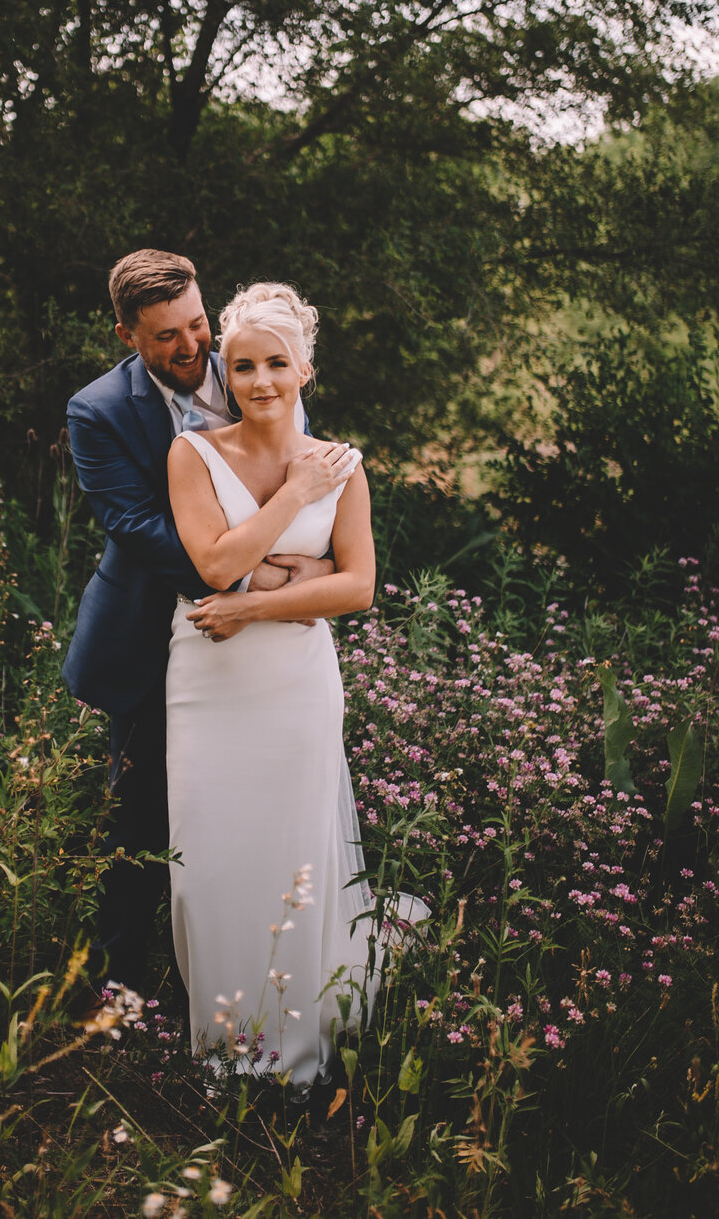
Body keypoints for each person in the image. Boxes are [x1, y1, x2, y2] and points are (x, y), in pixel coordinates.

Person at [166, 281, 427, 1089]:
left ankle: (298, 1055)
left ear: (305, 368)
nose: (261, 381)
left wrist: (258, 608)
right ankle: (227, 1047)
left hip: (293, 683)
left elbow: (356, 589)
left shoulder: (342, 466)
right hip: (208, 682)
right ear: (226, 372)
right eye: (242, 366)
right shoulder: (193, 453)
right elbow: (215, 565)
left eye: (277, 363)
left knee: (292, 853)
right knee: (210, 861)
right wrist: (293, 500)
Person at [63, 251, 331, 992]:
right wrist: (254, 575)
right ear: (126, 335)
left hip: (266, 641)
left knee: (249, 809)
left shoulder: (257, 364)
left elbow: (305, 474)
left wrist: (305, 574)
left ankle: (227, 977)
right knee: (142, 821)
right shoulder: (98, 412)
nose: (191, 348)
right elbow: (137, 527)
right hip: (152, 638)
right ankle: (115, 992)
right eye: (165, 338)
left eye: (198, 325)